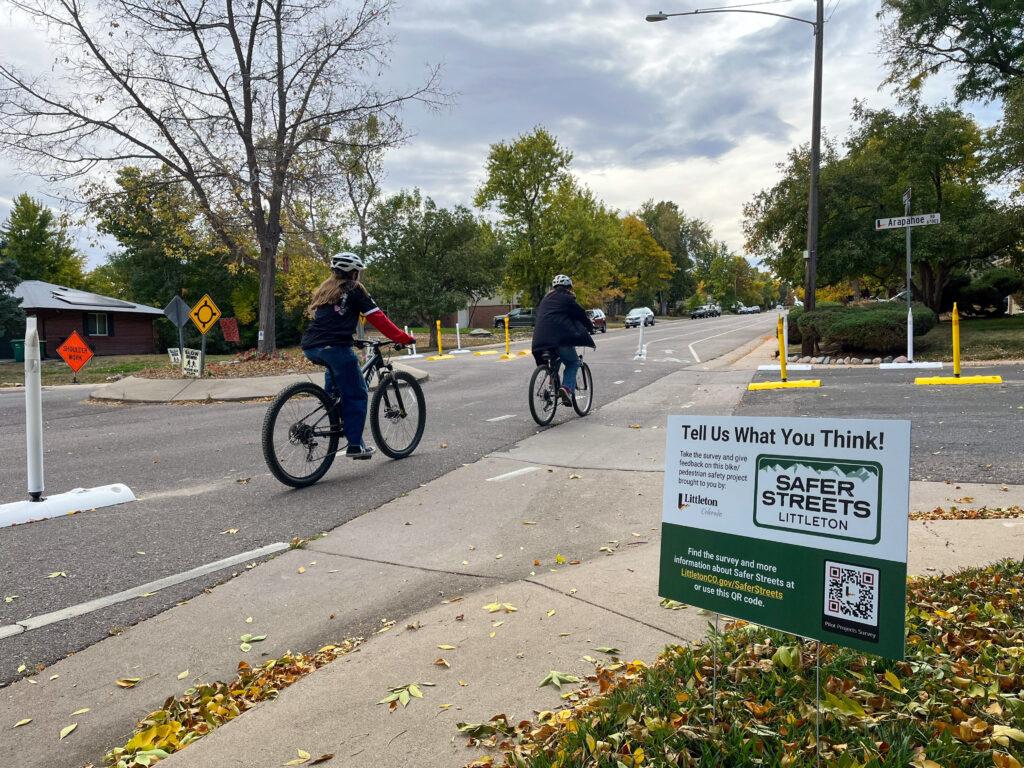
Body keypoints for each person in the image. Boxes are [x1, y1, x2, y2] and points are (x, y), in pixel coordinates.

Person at [301, 252, 415, 460]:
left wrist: (349, 338)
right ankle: (355, 445)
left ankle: (331, 410)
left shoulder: (325, 290)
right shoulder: (354, 289)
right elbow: (378, 318)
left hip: (311, 346)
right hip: (336, 348)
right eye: (358, 272)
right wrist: (403, 337)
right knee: (358, 393)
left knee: (337, 382)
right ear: (353, 273)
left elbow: (330, 321)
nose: (359, 276)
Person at [531, 274, 596, 405]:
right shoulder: (567, 299)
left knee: (554, 363)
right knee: (573, 363)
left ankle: (551, 386)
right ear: (568, 288)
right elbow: (581, 314)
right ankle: (566, 389)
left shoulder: (545, 300)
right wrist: (590, 326)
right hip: (559, 339)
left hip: (539, 342)